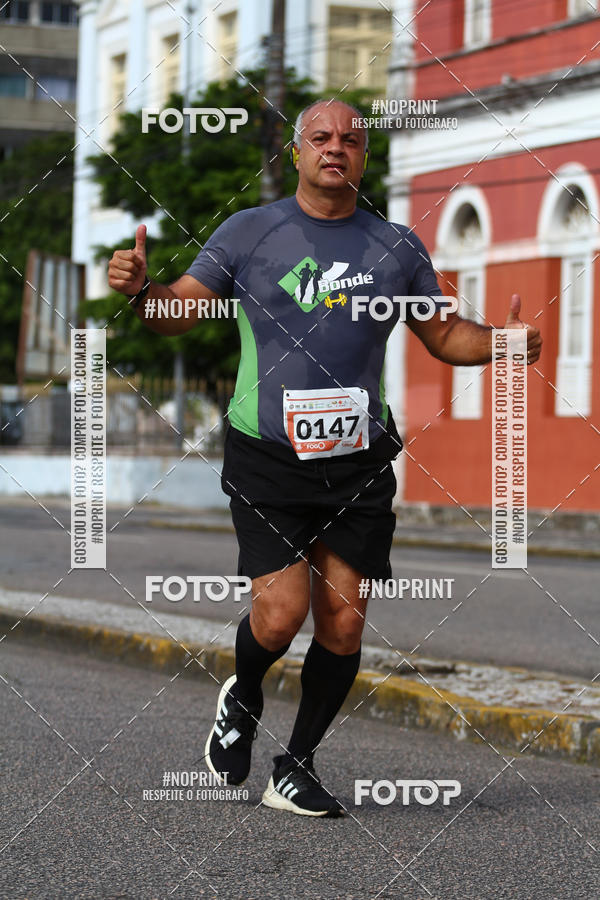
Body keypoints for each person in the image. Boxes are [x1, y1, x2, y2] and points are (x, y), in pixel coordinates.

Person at [108, 99, 543, 818]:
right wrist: (140, 292)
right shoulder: (250, 231)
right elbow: (180, 309)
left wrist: (504, 342)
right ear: (298, 152)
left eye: (351, 139)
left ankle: (295, 766)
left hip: (358, 459)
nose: (335, 147)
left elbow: (443, 335)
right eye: (320, 137)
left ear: (364, 156)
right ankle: (243, 696)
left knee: (343, 623)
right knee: (280, 616)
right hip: (268, 455)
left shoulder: (396, 246)